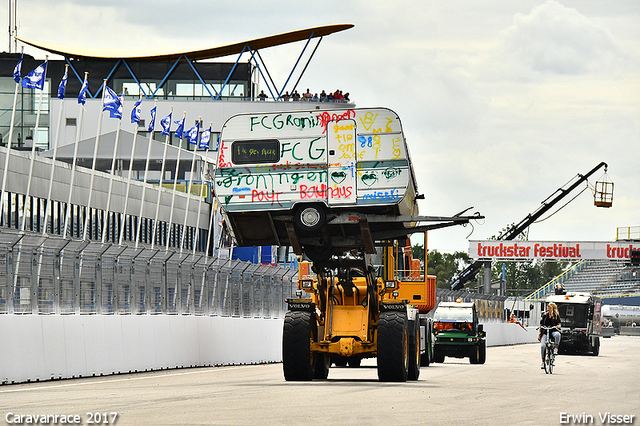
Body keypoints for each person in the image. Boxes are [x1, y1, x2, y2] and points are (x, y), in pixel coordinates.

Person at [539, 302, 562, 369]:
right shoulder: (544, 315)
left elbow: (559, 323)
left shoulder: (556, 315)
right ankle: (543, 362)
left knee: (557, 335)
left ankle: (556, 348)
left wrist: (558, 326)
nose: (547, 307)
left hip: (553, 330)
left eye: (548, 306)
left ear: (551, 307)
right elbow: (541, 325)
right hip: (545, 331)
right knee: (543, 346)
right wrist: (539, 334)